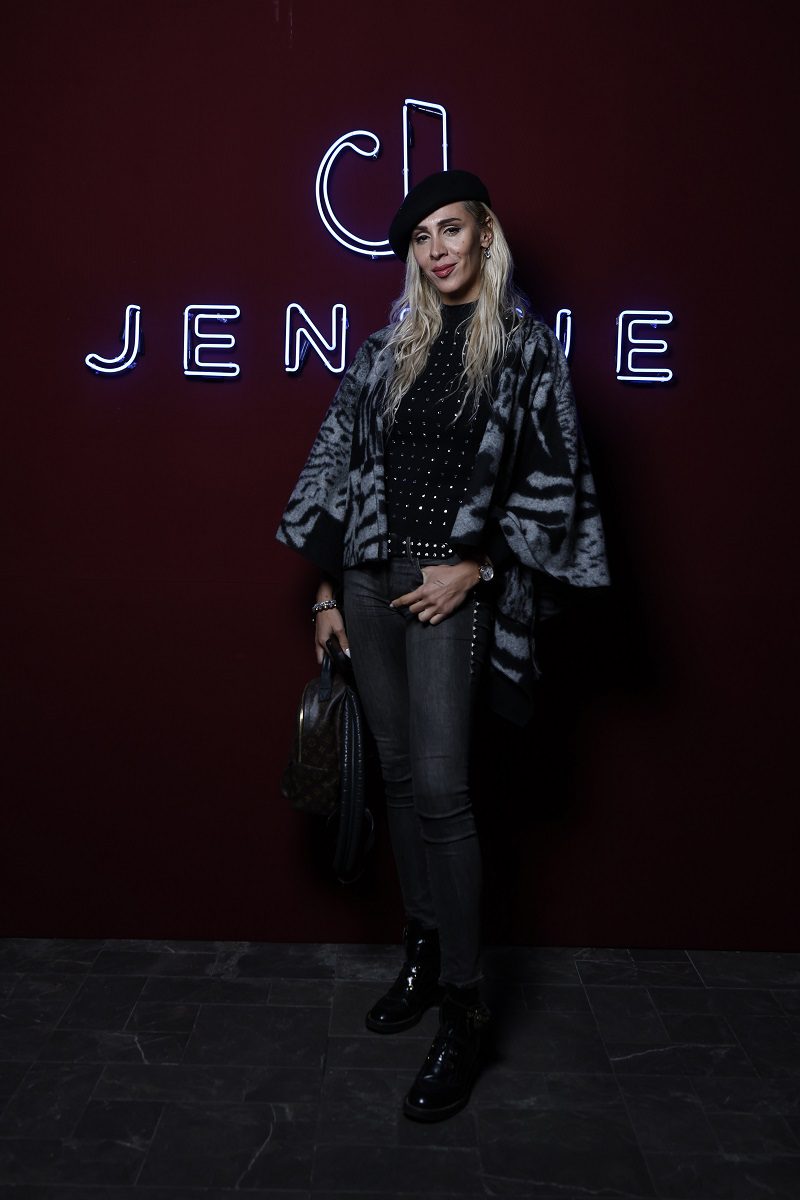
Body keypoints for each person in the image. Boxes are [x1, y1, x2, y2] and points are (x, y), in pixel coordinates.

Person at [277, 169, 609, 1121]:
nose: (436, 250)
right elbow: (337, 461)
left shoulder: (526, 349)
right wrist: (328, 591)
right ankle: (421, 953)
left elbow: (560, 485)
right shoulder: (390, 346)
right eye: (421, 238)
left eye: (450, 229)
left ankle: (465, 1009)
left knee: (441, 791)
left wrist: (482, 567)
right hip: (371, 582)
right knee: (393, 774)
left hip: (448, 591)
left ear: (484, 233)